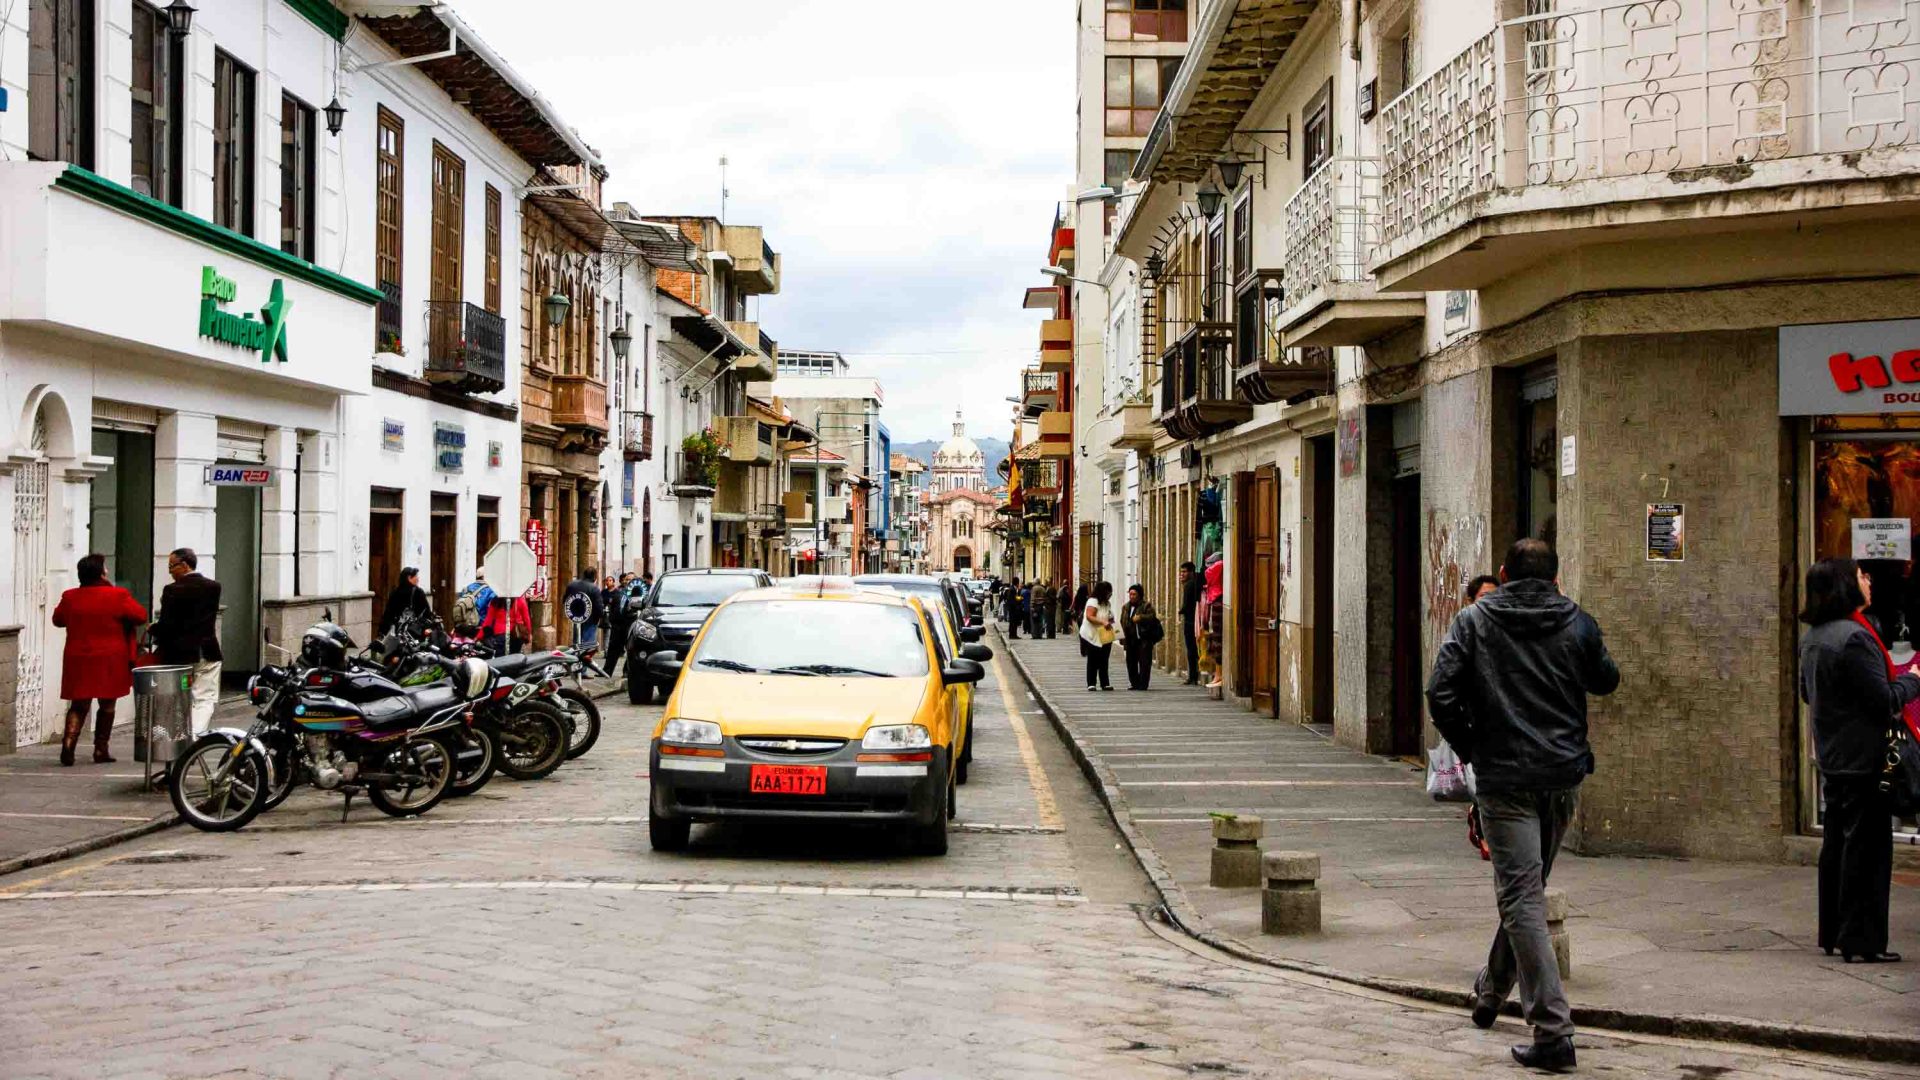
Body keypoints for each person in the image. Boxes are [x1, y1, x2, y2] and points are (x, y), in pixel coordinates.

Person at [1427, 539, 1618, 1073]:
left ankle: (1553, 1031)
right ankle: (1492, 991)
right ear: (1556, 579)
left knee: (1521, 897)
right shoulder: (1577, 621)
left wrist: (1473, 749)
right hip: (1561, 775)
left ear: (1505, 573)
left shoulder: (1473, 622)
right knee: (1525, 894)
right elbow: (1607, 679)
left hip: (1506, 777)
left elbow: (1439, 693)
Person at [1799, 557, 1915, 965]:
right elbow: (1884, 700)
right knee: (1867, 852)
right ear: (1846, 586)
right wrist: (1912, 680)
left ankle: (1833, 931)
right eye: (1861, 576)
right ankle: (1862, 941)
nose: (1868, 581)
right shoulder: (1854, 638)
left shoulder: (1814, 637)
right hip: (1864, 758)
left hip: (1832, 755)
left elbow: (1807, 694)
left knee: (1837, 846)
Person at [50, 554, 147, 766]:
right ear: (101, 572)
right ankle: (100, 749)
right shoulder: (117, 595)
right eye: (105, 568)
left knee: (79, 704)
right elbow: (140, 616)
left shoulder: (70, 596)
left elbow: (58, 620)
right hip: (110, 657)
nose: (108, 571)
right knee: (107, 704)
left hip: (79, 656)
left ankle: (68, 744)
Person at [153, 548, 223, 736]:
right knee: (204, 699)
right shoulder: (213, 587)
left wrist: (153, 630)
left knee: (179, 697)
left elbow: (167, 624)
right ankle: (194, 736)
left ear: (184, 565)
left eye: (171, 566)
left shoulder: (172, 590)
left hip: (179, 655)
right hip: (207, 652)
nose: (169, 571)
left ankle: (180, 736)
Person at [1120, 583, 1161, 691]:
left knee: (1144, 662)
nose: (1132, 596)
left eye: (1134, 594)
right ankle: (1134, 683)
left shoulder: (1146, 606)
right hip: (1130, 639)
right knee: (1131, 662)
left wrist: (1141, 617)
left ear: (1139, 595)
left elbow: (1152, 617)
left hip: (1143, 639)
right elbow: (1122, 621)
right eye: (1130, 594)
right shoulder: (1125, 607)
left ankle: (1143, 684)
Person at [1080, 582, 1116, 691]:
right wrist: (1103, 621)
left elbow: (1109, 615)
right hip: (1091, 634)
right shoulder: (1093, 602)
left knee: (1104, 659)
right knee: (1093, 659)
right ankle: (1091, 683)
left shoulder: (1106, 603)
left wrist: (1110, 620)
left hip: (1104, 634)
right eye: (1109, 592)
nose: (1110, 594)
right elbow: (1089, 616)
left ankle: (1105, 683)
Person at [380, 567, 430, 635]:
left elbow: (388, 614)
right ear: (409, 578)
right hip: (413, 632)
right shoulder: (418, 592)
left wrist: (383, 631)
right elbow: (426, 612)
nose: (418, 579)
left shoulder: (395, 592)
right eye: (416, 576)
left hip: (397, 631)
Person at [562, 569, 603, 647]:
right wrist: (600, 616)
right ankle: (585, 656)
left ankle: (576, 656)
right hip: (591, 619)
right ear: (595, 576)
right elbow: (599, 607)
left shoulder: (572, 585)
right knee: (588, 645)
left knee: (576, 642)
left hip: (575, 618)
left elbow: (565, 601)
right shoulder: (594, 588)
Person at [1179, 561, 1202, 686]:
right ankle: (1194, 674)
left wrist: (1180, 611)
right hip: (1196, 619)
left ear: (1191, 572)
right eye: (1181, 572)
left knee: (1191, 649)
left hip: (1190, 621)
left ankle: (1192, 676)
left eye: (1184, 572)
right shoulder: (1194, 583)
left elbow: (1187, 605)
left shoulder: (1189, 585)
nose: (1181, 574)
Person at [454, 570, 494, 636]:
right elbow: (491, 609)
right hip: (480, 626)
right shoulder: (489, 590)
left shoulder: (466, 588)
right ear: (484, 577)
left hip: (464, 625)